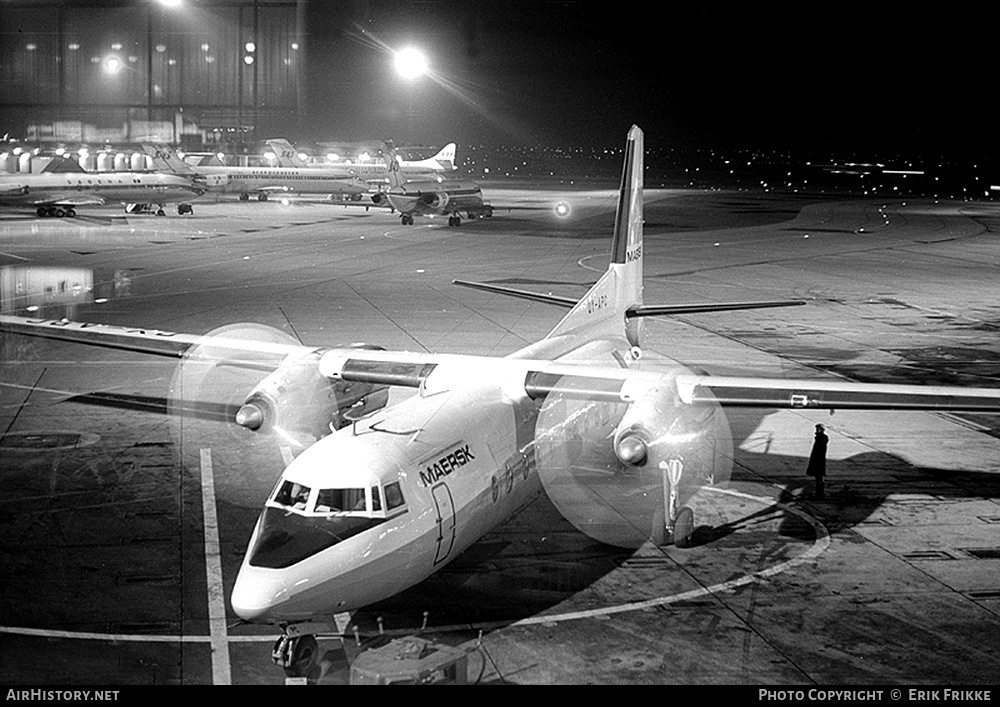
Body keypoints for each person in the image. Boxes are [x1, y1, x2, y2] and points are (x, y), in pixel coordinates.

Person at [806, 424, 828, 499]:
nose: (816, 430)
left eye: (817, 429)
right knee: (818, 477)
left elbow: (819, 450)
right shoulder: (820, 438)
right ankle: (819, 493)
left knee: (819, 478)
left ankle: (820, 494)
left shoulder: (821, 438)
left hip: (819, 461)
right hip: (818, 460)